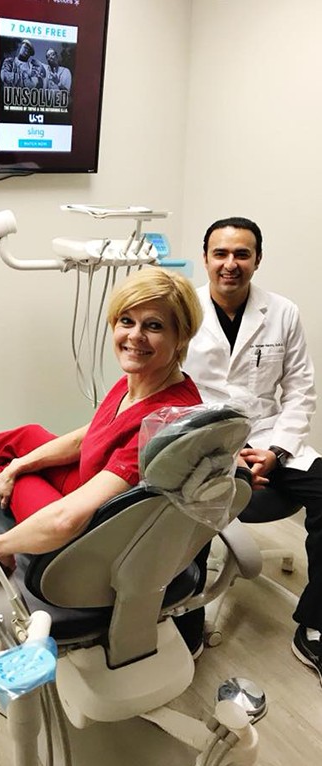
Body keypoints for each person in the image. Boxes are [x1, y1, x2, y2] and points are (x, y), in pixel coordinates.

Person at [0, 269, 207, 623]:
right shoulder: (143, 379)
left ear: (181, 336)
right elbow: (91, 435)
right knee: (28, 437)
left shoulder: (163, 423)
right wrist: (20, 462)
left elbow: (67, 519)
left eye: (154, 326)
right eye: (126, 321)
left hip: (91, 538)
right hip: (99, 488)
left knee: (7, 473)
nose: (134, 336)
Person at [184, 216, 322, 683]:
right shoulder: (182, 309)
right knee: (186, 506)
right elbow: (169, 387)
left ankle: (316, 626)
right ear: (205, 258)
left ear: (257, 260)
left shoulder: (282, 312)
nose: (230, 264)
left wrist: (276, 451)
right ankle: (186, 615)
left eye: (241, 254)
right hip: (202, 438)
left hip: (267, 436)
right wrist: (219, 447)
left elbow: (301, 390)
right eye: (220, 254)